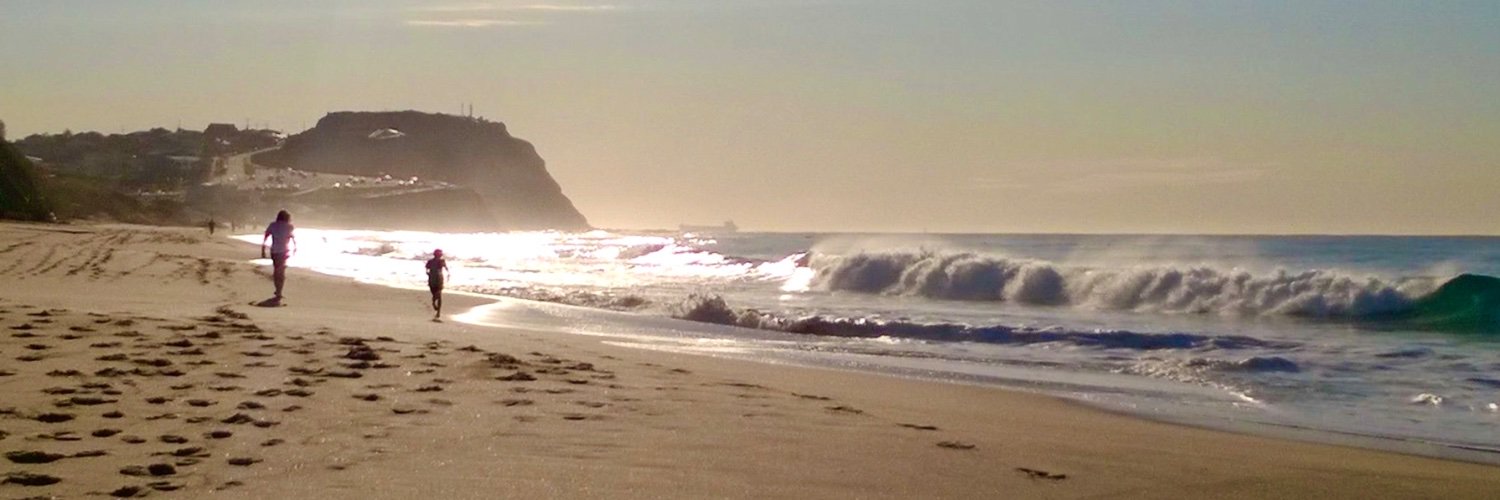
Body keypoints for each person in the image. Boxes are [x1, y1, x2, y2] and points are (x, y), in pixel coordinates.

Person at [260, 210, 297, 302]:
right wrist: (295, 248)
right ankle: (279, 291)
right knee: (281, 272)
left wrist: (263, 249)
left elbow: (266, 236)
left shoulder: (273, 225)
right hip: (284, 251)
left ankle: (278, 290)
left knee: (277, 271)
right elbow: (292, 238)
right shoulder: (289, 226)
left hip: (275, 251)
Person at [426, 249, 449, 319]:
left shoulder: (442, 261)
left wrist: (448, 274)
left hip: (439, 279)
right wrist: (427, 273)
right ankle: (434, 303)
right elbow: (426, 269)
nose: (439, 255)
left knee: (438, 295)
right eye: (438, 254)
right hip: (432, 279)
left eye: (440, 254)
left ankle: (438, 312)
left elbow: (446, 268)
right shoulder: (430, 261)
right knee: (434, 294)